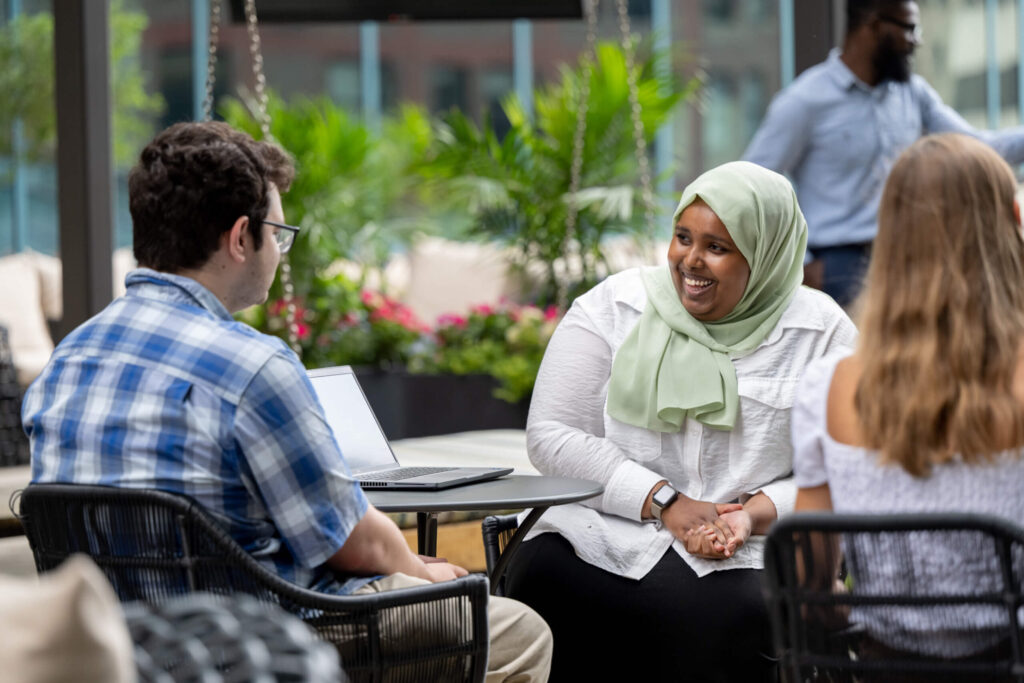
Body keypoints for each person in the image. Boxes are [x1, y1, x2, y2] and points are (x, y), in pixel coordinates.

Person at [21, 121, 552, 682]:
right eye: (277, 233)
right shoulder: (250, 365)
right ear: (240, 237)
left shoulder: (68, 359)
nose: (278, 250)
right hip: (255, 638)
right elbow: (354, 542)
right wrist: (428, 575)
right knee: (515, 631)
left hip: (118, 640)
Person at [504, 161, 857, 681]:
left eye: (717, 247)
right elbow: (553, 435)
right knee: (541, 578)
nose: (691, 261)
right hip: (604, 528)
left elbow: (844, 465)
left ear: (764, 256)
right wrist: (662, 500)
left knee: (732, 610)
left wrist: (753, 513)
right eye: (682, 238)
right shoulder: (612, 307)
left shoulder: (822, 333)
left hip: (752, 547)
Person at [792, 132, 1024, 665]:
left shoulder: (827, 388)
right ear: (1013, 220)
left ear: (890, 239)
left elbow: (810, 579)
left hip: (886, 664)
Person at [743, 0, 1024, 307]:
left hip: (905, 257)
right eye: (909, 28)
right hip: (837, 267)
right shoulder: (804, 101)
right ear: (874, 26)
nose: (918, 40)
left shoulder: (913, 94)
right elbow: (752, 185)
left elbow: (979, 147)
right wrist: (801, 265)